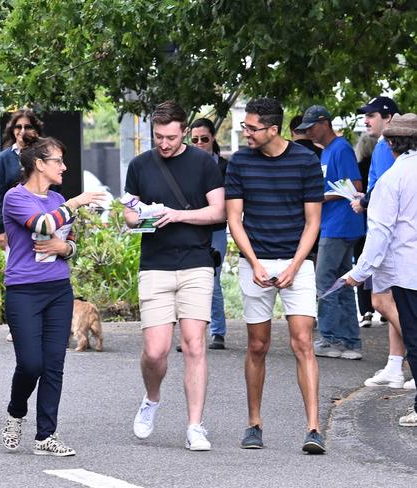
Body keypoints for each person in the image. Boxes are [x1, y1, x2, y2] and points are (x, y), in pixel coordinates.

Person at [226, 98, 325, 453]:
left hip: (297, 262)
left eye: (251, 128)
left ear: (273, 129)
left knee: (303, 343)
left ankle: (313, 428)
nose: (245, 133)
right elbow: (234, 218)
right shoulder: (239, 161)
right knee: (258, 344)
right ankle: (254, 422)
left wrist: (296, 265)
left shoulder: (306, 160)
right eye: (245, 127)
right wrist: (253, 262)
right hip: (256, 262)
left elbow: (313, 220)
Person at [124, 101, 224, 451]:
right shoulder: (139, 165)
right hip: (155, 264)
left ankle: (195, 425)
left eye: (170, 137)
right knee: (155, 351)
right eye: (158, 137)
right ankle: (151, 399)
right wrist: (140, 217)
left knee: (195, 345)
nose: (164, 144)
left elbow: (218, 211)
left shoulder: (203, 164)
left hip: (196, 262)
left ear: (184, 132)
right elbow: (129, 213)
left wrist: (177, 215)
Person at [0, 133, 104, 456]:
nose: (64, 167)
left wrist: (65, 248)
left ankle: (46, 435)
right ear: (39, 164)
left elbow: (67, 241)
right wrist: (76, 202)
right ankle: (16, 412)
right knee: (31, 364)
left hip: (58, 289)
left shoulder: (58, 200)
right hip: (23, 291)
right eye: (58, 161)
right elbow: (43, 226)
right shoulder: (15, 198)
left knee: (54, 364)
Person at [345, 113, 417, 426]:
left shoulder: (392, 179)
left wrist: (359, 272)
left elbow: (380, 233)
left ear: (389, 143)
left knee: (414, 337)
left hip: (406, 268)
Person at [299, 105, 366, 359]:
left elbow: (356, 187)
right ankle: (350, 343)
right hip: (334, 224)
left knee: (324, 282)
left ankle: (330, 339)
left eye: (312, 128)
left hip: (340, 225)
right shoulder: (327, 151)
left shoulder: (341, 148)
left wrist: (320, 197)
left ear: (324, 123)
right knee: (342, 283)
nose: (309, 134)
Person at [0, 109, 44, 342]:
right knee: (17, 275)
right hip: (14, 229)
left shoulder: (45, 156)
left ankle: (41, 320)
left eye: (27, 127)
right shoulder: (4, 158)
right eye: (18, 127)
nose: (22, 132)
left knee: (42, 271)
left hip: (43, 224)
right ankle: (18, 323)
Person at [189, 118, 228, 350]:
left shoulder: (223, 166)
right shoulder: (184, 165)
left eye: (204, 138)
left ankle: (218, 332)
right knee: (191, 281)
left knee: (212, 279)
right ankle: (194, 336)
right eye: (194, 140)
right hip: (190, 229)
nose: (200, 143)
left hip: (215, 231)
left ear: (213, 138)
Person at [352, 133, 377, 328]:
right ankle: (385, 308)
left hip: (360, 222)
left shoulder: (359, 168)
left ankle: (366, 310)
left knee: (361, 262)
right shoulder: (382, 165)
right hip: (377, 221)